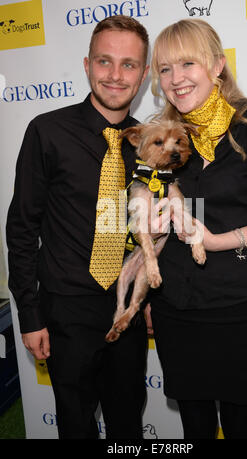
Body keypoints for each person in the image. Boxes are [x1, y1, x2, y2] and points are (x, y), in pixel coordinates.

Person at [148, 19, 247, 439]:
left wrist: (216, 241)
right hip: (176, 311)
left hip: (240, 310)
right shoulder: (164, 135)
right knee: (194, 430)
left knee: (239, 429)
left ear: (217, 66)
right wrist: (150, 227)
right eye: (164, 69)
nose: (175, 79)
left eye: (187, 64)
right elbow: (141, 218)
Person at [6, 15, 150, 439]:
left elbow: (152, 230)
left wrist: (151, 301)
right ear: (87, 65)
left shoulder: (150, 142)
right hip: (66, 311)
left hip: (127, 310)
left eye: (129, 65)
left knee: (127, 424)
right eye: (105, 61)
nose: (116, 75)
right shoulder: (47, 132)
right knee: (75, 423)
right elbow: (21, 228)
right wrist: (29, 316)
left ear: (143, 74)